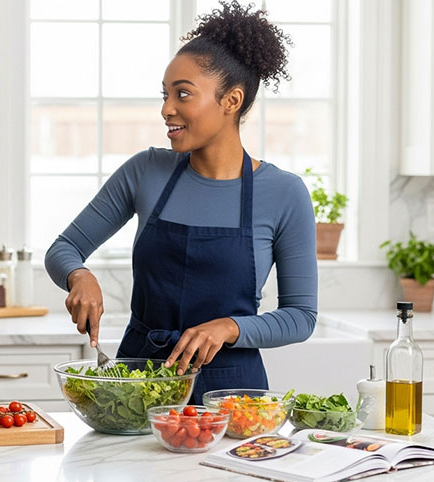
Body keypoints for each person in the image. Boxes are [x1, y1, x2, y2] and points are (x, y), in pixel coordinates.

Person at [45, 1, 317, 404]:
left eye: (183, 94)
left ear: (231, 101)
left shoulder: (284, 192)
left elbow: (301, 317)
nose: (166, 108)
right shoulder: (146, 171)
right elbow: (63, 249)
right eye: (166, 94)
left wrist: (229, 327)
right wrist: (78, 275)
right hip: (137, 385)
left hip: (230, 394)